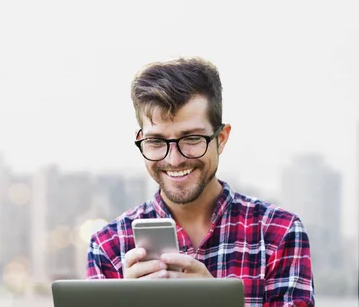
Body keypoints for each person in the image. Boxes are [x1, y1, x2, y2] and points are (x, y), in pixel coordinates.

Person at [86, 57, 315, 306]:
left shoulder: (278, 233)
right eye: (156, 141)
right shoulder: (108, 247)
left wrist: (215, 301)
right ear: (142, 140)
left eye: (192, 139)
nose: (174, 160)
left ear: (222, 139)